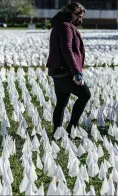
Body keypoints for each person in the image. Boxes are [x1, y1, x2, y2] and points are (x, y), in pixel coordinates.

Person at [46, 2, 91, 136]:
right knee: (85, 94)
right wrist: (76, 71)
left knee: (62, 101)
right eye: (79, 16)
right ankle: (72, 128)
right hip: (65, 70)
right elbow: (67, 49)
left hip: (58, 70)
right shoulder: (65, 26)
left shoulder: (64, 25)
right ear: (72, 14)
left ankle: (57, 132)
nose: (80, 20)